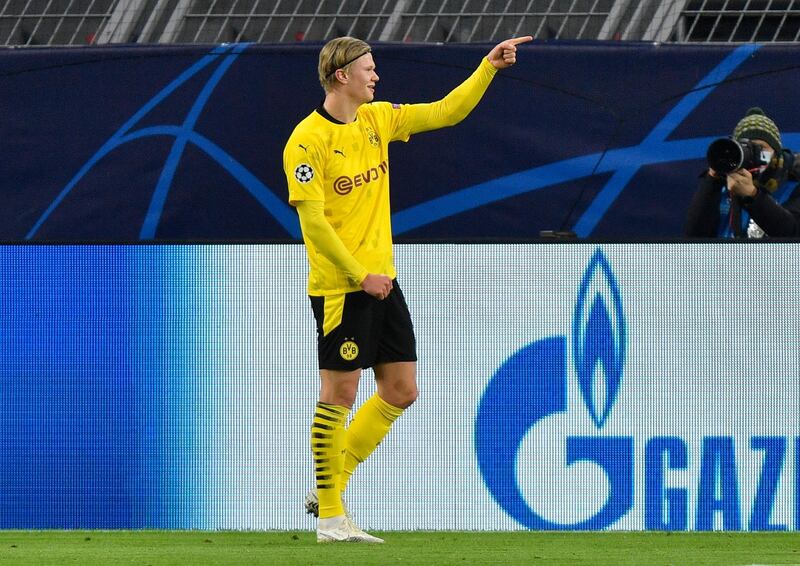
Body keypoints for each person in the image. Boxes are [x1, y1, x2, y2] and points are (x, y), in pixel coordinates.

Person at [282, 34, 531, 543]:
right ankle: (330, 518)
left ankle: (329, 487)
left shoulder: (378, 120)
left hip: (383, 281)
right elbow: (314, 224)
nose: (377, 76)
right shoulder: (306, 141)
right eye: (368, 69)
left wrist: (487, 68)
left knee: (401, 389)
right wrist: (358, 276)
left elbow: (445, 112)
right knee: (340, 392)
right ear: (340, 77)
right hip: (342, 286)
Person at [684, 107, 800, 238]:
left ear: (776, 154)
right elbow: (694, 238)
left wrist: (753, 196)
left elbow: (793, 234)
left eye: (760, 147)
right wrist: (712, 181)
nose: (753, 154)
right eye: (746, 147)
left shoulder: (793, 185)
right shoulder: (724, 185)